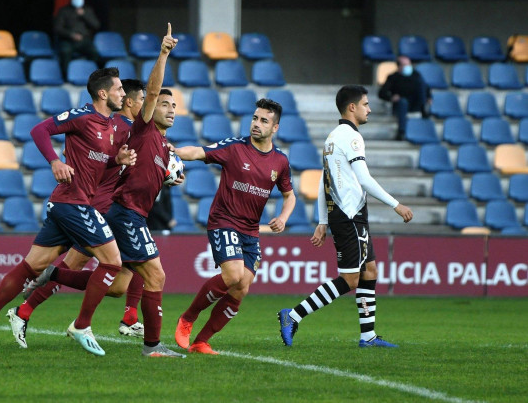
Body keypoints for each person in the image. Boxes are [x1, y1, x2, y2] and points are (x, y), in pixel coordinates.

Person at [26, 24, 186, 358]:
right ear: (146, 107)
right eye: (162, 103)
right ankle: (151, 346)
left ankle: (53, 275)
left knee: (119, 286)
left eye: (174, 106)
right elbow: (152, 92)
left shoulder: (162, 142)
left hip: (124, 213)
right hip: (122, 212)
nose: (170, 109)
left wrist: (168, 175)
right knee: (155, 274)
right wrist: (163, 53)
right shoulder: (140, 130)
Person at [0, 67, 136, 357]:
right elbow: (39, 130)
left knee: (33, 266)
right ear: (103, 93)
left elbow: (95, 165)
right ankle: (82, 326)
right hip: (73, 203)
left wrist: (115, 161)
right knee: (112, 263)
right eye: (119, 89)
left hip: (67, 204)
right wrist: (54, 161)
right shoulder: (82, 116)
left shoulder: (110, 128)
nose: (123, 94)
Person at [6, 78, 148, 348]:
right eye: (142, 100)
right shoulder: (117, 126)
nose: (144, 105)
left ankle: (127, 316)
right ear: (130, 101)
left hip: (111, 205)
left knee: (119, 282)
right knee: (119, 262)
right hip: (100, 206)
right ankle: (114, 320)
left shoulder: (126, 128)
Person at [278, 85, 413, 348]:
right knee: (350, 279)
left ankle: (368, 336)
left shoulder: (332, 137)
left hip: (349, 214)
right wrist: (396, 204)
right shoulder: (351, 137)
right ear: (352, 107)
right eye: (365, 104)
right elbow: (364, 179)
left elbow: (323, 182)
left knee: (370, 270)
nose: (369, 109)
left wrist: (322, 220)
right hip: (349, 215)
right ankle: (292, 315)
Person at [173, 98, 296, 355]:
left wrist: (283, 217)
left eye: (264, 121)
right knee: (232, 276)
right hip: (223, 221)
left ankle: (201, 341)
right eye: (254, 118)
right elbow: (198, 151)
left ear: (275, 128)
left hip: (250, 230)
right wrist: (171, 152)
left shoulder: (280, 162)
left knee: (241, 288)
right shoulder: (235, 147)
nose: (256, 124)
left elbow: (290, 196)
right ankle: (187, 318)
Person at [378, 56, 432, 140]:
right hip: (400, 105)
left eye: (409, 64)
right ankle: (401, 132)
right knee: (403, 102)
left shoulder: (416, 75)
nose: (408, 67)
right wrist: (391, 98)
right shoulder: (393, 77)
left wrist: (429, 97)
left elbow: (426, 88)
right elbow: (381, 93)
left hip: (415, 104)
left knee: (421, 85)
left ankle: (424, 110)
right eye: (405, 65)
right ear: (399, 67)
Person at [54, 0, 101, 77]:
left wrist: (84, 15)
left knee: (94, 52)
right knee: (65, 51)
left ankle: (92, 77)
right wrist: (71, 35)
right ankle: (66, 76)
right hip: (68, 40)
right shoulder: (64, 10)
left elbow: (96, 25)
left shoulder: (87, 10)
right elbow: (58, 28)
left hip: (84, 40)